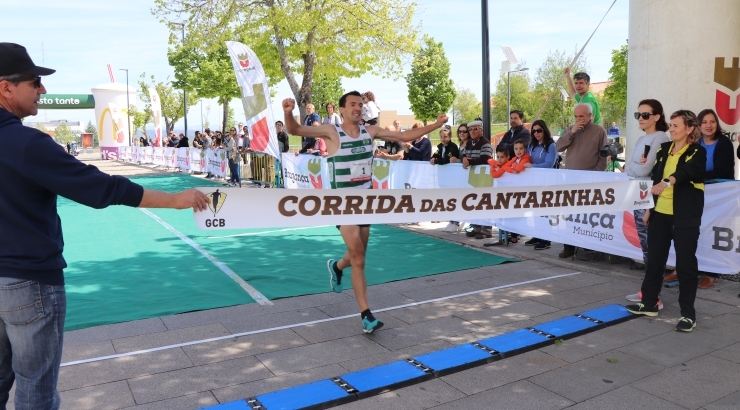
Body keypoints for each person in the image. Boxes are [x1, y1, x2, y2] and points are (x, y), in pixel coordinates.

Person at [0, 42, 210, 410]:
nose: (42, 90)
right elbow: (99, 188)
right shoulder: (26, 143)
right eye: (35, 81)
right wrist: (174, 199)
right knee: (36, 389)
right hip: (27, 281)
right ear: (6, 87)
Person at [282, 91, 447, 333]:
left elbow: (405, 135)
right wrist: (288, 113)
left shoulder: (370, 132)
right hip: (341, 205)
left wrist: (435, 124)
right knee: (358, 258)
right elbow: (296, 130)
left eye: (360, 104)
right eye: (352, 105)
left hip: (365, 204)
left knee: (358, 256)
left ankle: (337, 267)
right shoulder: (331, 132)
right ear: (342, 110)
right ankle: (366, 315)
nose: (358, 108)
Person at [626, 110, 706, 333]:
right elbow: (654, 179)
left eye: (676, 126)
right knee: (655, 259)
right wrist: (650, 208)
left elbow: (688, 172)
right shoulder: (663, 149)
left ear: (689, 129)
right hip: (660, 213)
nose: (670, 129)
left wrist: (668, 182)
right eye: (670, 125)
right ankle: (649, 303)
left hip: (685, 216)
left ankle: (688, 315)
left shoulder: (697, 152)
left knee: (685, 265)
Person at [624, 99, 671, 306]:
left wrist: (634, 165)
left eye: (645, 115)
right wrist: (635, 166)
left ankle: (653, 294)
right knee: (645, 245)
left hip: (648, 195)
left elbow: (643, 170)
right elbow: (629, 168)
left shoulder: (660, 137)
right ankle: (648, 291)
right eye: (638, 115)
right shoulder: (644, 138)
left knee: (651, 245)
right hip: (638, 192)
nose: (640, 119)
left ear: (657, 116)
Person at [555, 103, 608, 258]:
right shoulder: (570, 130)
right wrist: (571, 132)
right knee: (570, 214)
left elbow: (603, 156)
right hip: (571, 181)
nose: (579, 119)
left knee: (587, 216)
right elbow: (558, 147)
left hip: (590, 181)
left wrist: (595, 175)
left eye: (582, 116)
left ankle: (587, 247)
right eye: (576, 116)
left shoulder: (599, 131)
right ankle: (569, 246)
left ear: (590, 116)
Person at [694, 108, 734, 289]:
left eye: (712, 122)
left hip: (719, 197)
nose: (709, 126)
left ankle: (712, 273)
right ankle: (689, 268)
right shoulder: (696, 143)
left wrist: (693, 176)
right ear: (698, 125)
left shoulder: (724, 143)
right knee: (694, 231)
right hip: (698, 194)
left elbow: (720, 171)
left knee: (713, 233)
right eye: (704, 122)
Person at [521, 120, 558, 250]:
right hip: (534, 182)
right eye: (534, 131)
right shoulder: (532, 145)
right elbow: (527, 159)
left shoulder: (551, 145)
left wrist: (532, 167)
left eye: (539, 130)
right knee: (536, 210)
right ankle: (538, 234)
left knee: (545, 211)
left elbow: (549, 164)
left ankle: (546, 239)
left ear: (544, 130)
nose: (536, 133)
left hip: (547, 182)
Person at [462, 120, 493, 239]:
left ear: (481, 130)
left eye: (475, 129)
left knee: (484, 202)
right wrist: (464, 158)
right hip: (473, 178)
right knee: (474, 202)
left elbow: (486, 159)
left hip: (483, 177)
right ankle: (476, 227)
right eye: (470, 130)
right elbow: (463, 154)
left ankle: (486, 229)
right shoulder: (469, 143)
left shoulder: (485, 143)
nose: (472, 131)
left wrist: (469, 161)